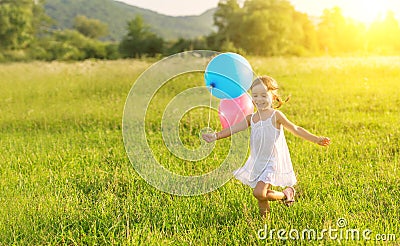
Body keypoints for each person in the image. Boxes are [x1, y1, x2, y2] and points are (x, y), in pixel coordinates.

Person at [202, 75, 331, 217]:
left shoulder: (276, 116)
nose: (259, 99)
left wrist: (316, 139)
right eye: (255, 95)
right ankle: (265, 221)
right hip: (258, 161)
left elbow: (296, 129)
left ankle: (285, 194)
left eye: (264, 95)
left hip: (272, 161)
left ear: (273, 97)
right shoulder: (251, 118)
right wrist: (215, 136)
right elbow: (233, 129)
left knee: (259, 192)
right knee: (261, 198)